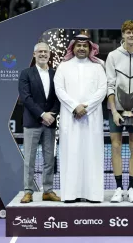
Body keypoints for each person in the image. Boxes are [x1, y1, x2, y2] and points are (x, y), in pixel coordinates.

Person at [53, 34, 107, 203]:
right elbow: (59, 89)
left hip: (92, 118)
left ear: (91, 49)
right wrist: (75, 106)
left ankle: (93, 195)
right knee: (71, 153)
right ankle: (70, 194)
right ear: (73, 48)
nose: (82, 48)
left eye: (85, 45)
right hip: (71, 118)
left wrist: (87, 107)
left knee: (92, 155)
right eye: (78, 45)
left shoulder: (98, 67)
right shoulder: (63, 66)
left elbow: (102, 89)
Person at [105, 20, 133, 203]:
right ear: (122, 35)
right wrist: (115, 111)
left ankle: (131, 189)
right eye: (127, 32)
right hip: (116, 110)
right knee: (115, 147)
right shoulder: (112, 56)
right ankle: (118, 188)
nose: (131, 35)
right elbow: (110, 84)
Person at [18, 42, 61, 203]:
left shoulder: (55, 74)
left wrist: (52, 115)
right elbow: (26, 98)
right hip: (32, 123)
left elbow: (59, 97)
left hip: (50, 123)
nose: (43, 54)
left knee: (49, 159)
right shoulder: (26, 73)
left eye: (45, 51)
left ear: (49, 55)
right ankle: (28, 191)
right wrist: (42, 114)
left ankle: (48, 191)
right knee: (29, 159)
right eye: (40, 51)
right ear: (34, 54)